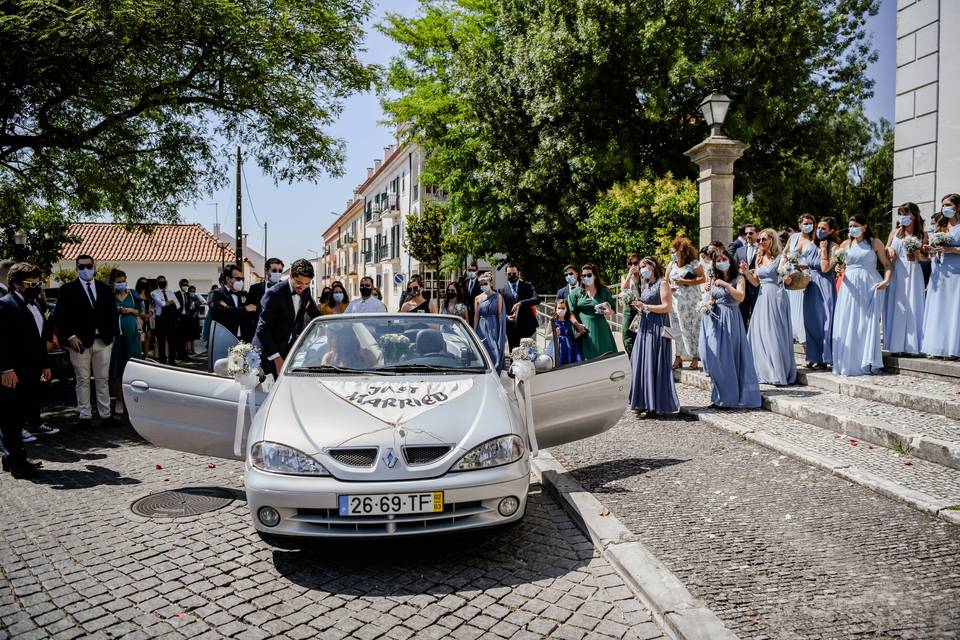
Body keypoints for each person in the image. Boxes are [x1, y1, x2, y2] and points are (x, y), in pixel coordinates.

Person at [54, 254, 118, 427]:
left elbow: (112, 314)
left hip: (103, 341)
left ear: (94, 267)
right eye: (81, 267)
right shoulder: (67, 289)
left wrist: (112, 336)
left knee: (102, 379)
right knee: (82, 379)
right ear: (76, 269)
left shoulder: (105, 289)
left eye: (89, 266)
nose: (86, 270)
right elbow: (60, 317)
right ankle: (85, 416)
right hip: (79, 343)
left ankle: (106, 415)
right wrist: (70, 337)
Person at [0, 263, 51, 478]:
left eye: (38, 282)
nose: (36, 286)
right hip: (12, 371)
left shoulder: (35, 304)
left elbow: (39, 338)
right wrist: (5, 369)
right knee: (10, 417)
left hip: (30, 369)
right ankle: (17, 463)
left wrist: (44, 364)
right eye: (32, 283)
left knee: (19, 415)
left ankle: (11, 458)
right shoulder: (5, 304)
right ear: (17, 283)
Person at [829, 213, 893, 376]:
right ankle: (849, 362)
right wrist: (838, 268)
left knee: (866, 323)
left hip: (869, 285)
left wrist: (886, 281)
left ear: (864, 227)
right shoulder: (845, 244)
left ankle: (866, 361)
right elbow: (839, 265)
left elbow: (887, 264)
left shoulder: (874, 242)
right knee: (849, 320)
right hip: (849, 286)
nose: (852, 229)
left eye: (855, 226)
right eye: (850, 226)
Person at [698, 247, 761, 408]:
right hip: (715, 319)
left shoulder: (738, 278)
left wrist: (725, 284)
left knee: (728, 358)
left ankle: (728, 398)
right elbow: (713, 298)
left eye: (723, 260)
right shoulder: (713, 278)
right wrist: (708, 301)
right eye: (718, 261)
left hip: (731, 319)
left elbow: (740, 297)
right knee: (714, 357)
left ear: (730, 261)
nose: (721, 262)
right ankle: (719, 395)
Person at [743, 229, 796, 386]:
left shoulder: (781, 258)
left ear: (772, 240)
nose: (760, 242)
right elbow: (756, 282)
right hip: (762, 297)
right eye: (759, 240)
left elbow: (788, 282)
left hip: (776, 296)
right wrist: (746, 273)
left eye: (764, 239)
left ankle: (777, 371)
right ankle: (763, 368)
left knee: (774, 333)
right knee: (760, 333)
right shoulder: (759, 258)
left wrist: (786, 272)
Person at [628, 257, 679, 416]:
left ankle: (655, 403)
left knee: (654, 362)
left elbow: (667, 307)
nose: (642, 269)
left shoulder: (662, 283)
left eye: (644, 265)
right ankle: (643, 401)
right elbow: (647, 305)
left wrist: (646, 306)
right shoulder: (647, 284)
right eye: (641, 266)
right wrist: (640, 307)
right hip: (645, 326)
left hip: (658, 327)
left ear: (653, 266)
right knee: (640, 362)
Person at [254, 259, 320, 378]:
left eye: (307, 283)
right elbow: (262, 330)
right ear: (290, 275)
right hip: (267, 354)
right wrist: (277, 359)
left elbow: (316, 314)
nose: (303, 287)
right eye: (299, 282)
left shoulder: (306, 291)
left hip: (287, 351)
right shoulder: (274, 294)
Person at [883, 203, 926, 355]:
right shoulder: (894, 232)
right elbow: (884, 250)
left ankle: (912, 346)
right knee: (898, 305)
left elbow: (927, 258)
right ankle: (896, 345)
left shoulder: (922, 234)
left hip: (914, 271)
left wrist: (918, 255)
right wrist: (889, 250)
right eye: (900, 214)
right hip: (897, 271)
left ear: (914, 215)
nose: (903, 217)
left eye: (906, 213)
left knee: (913, 305)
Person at [921, 193, 960, 358]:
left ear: (958, 207)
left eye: (948, 205)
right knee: (940, 308)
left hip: (956, 272)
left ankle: (954, 348)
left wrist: (951, 249)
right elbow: (935, 248)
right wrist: (929, 249)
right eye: (943, 205)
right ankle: (938, 346)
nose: (945, 208)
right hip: (939, 272)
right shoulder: (941, 226)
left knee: (954, 307)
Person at [798, 216, 840, 369]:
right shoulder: (810, 245)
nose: (820, 231)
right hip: (811, 285)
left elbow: (825, 268)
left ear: (831, 231)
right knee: (811, 322)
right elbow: (807, 263)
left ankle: (824, 357)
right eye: (819, 228)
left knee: (825, 322)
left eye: (824, 229)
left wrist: (823, 250)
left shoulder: (834, 247)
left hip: (825, 286)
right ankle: (813, 355)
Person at [108, 269, 142, 416]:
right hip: (116, 339)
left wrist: (130, 310)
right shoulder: (109, 296)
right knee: (116, 369)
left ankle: (133, 401)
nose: (121, 284)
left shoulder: (133, 294)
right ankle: (119, 400)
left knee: (132, 369)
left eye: (123, 281)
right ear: (113, 283)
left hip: (132, 338)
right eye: (118, 282)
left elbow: (140, 312)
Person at [667, 238, 705, 370]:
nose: (672, 254)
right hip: (676, 303)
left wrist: (685, 282)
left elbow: (702, 278)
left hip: (691, 303)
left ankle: (695, 358)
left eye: (674, 252)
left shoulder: (694, 264)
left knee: (693, 329)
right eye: (671, 252)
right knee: (677, 329)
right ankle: (678, 357)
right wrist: (669, 288)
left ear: (682, 252)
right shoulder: (671, 265)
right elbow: (666, 281)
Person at [568, 264, 616, 360]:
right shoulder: (575, 293)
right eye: (583, 275)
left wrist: (608, 312)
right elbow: (570, 312)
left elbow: (613, 310)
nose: (586, 277)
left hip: (602, 330)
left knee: (606, 358)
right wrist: (577, 325)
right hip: (584, 331)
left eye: (589, 275)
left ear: (595, 276)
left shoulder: (604, 291)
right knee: (587, 360)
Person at [785, 215, 816, 345]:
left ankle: (804, 334)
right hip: (792, 275)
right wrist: (784, 268)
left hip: (806, 275)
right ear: (799, 225)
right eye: (805, 223)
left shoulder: (815, 239)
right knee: (791, 304)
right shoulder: (793, 237)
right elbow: (784, 253)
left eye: (810, 223)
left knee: (803, 306)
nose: (808, 226)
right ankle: (792, 333)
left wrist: (806, 266)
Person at [209, 265, 258, 338]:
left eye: (242, 279)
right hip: (224, 337)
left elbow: (253, 311)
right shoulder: (216, 293)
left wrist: (228, 308)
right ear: (228, 279)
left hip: (244, 338)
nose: (241, 281)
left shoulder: (244, 294)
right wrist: (244, 309)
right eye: (238, 279)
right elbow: (219, 311)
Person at [499, 264, 540, 351]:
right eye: (509, 274)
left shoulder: (528, 286)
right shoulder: (501, 290)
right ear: (505, 274)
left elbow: (537, 299)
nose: (512, 276)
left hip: (527, 326)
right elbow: (500, 308)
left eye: (514, 273)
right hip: (511, 327)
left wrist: (521, 303)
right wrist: (506, 317)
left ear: (518, 273)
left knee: (529, 353)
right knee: (514, 353)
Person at [473, 272, 506, 372]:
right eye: (481, 284)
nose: (483, 285)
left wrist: (501, 332)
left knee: (495, 349)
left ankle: (496, 370)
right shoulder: (477, 298)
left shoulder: (498, 296)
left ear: (490, 283)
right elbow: (476, 316)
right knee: (484, 349)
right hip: (481, 327)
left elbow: (500, 314)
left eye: (485, 283)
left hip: (494, 326)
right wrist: (474, 332)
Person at [734, 224, 760, 329]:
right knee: (742, 315)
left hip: (758, 288)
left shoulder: (762, 249)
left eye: (751, 233)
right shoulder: (739, 250)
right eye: (746, 233)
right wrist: (739, 271)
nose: (748, 235)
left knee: (756, 316)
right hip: (743, 288)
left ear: (757, 234)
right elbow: (733, 267)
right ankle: (743, 337)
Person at [151, 275, 179, 363]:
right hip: (160, 319)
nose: (162, 283)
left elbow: (178, 305)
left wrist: (168, 302)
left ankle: (172, 360)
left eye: (164, 281)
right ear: (157, 283)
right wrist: (171, 302)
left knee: (172, 340)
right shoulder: (154, 293)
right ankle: (162, 360)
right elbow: (162, 304)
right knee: (161, 341)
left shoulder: (170, 292)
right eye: (160, 281)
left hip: (171, 319)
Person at [619, 255, 642, 360]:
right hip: (629, 308)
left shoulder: (643, 275)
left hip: (641, 308)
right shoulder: (625, 276)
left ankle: (640, 358)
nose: (633, 266)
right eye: (630, 264)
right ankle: (632, 358)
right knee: (626, 334)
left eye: (635, 263)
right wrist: (629, 274)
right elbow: (623, 288)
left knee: (639, 334)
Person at [551, 298, 581, 366]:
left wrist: (579, 333)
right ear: (555, 309)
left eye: (563, 308)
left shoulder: (569, 321)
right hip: (558, 347)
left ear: (567, 309)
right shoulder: (553, 321)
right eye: (559, 308)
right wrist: (555, 334)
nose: (561, 310)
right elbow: (546, 336)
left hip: (570, 347)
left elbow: (573, 336)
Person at [174, 278, 197, 359]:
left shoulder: (187, 295)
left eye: (186, 285)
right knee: (179, 337)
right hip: (179, 318)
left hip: (186, 318)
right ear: (180, 285)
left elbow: (188, 306)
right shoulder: (176, 294)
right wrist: (176, 318)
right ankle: (179, 354)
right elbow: (174, 307)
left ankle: (184, 354)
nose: (185, 286)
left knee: (185, 337)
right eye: (184, 285)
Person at [134, 277, 153, 356]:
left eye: (145, 283)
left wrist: (149, 314)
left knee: (148, 337)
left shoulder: (150, 295)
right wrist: (142, 315)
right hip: (139, 319)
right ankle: (139, 357)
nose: (144, 285)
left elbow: (153, 308)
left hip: (148, 319)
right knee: (141, 338)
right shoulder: (135, 295)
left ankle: (146, 356)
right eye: (142, 283)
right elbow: (134, 308)